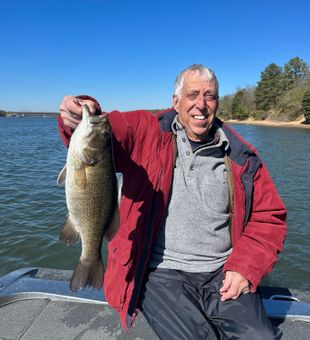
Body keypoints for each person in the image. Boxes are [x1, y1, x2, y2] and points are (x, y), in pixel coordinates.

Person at [58, 64, 286, 339]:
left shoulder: (242, 157)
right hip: (163, 272)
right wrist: (84, 111)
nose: (200, 105)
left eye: (209, 96)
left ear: (217, 103)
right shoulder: (147, 132)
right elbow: (112, 131)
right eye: (192, 95)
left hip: (222, 271)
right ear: (175, 102)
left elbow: (268, 218)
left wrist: (244, 269)